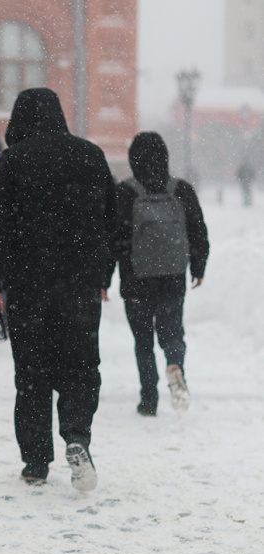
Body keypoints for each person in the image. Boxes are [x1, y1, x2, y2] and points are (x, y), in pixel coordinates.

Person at [0, 88, 115, 491]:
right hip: (80, 284)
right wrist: (102, 274)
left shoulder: (13, 161)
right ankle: (77, 435)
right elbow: (111, 221)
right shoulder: (91, 156)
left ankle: (36, 461)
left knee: (32, 370)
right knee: (81, 365)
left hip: (28, 283)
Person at [106, 131, 209, 417]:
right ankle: (175, 365)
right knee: (172, 332)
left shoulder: (125, 192)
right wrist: (198, 266)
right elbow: (198, 230)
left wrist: (104, 278)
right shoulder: (181, 190)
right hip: (172, 275)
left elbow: (113, 239)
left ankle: (148, 399)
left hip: (136, 277)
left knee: (143, 341)